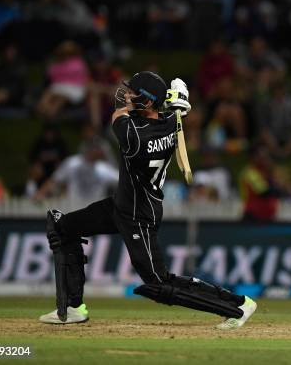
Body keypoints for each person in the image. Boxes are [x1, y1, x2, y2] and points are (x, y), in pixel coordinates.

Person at [38, 71, 257, 329]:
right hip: (121, 205)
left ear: (148, 102)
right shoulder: (168, 122)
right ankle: (74, 308)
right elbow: (173, 113)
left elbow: (118, 116)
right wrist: (178, 101)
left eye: (133, 93)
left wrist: (152, 106)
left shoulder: (134, 135)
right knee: (63, 228)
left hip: (138, 215)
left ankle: (237, 305)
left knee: (158, 282)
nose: (127, 95)